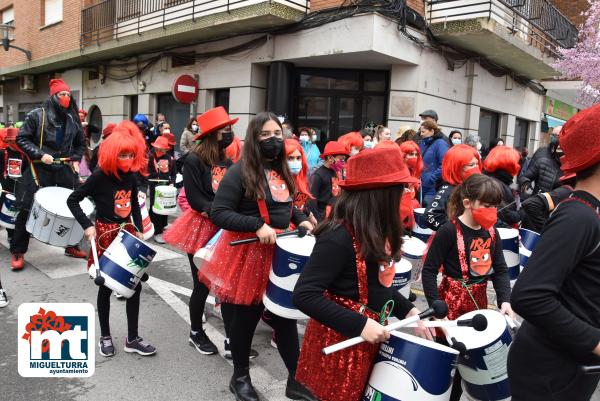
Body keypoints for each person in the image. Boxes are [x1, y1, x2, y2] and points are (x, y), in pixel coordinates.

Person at [197, 112, 315, 401]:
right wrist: (256, 224)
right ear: (253, 138)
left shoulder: (282, 170)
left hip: (278, 253)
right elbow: (220, 212)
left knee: (284, 317)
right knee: (245, 320)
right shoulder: (239, 172)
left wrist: (301, 219)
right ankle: (240, 378)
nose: (273, 139)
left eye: (277, 134)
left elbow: (285, 207)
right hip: (248, 254)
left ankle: (295, 380)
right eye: (265, 135)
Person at [292, 146, 424, 401]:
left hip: (364, 340)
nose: (403, 197)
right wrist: (361, 324)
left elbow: (371, 287)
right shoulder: (337, 235)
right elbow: (304, 295)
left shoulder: (372, 231)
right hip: (339, 346)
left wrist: (409, 310)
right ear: (379, 196)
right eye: (399, 191)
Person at [508, 104, 600, 401]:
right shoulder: (577, 216)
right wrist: (596, 342)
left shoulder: (590, 214)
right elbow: (529, 295)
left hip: (570, 365)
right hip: (550, 371)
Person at [66, 121, 156, 357]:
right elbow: (72, 200)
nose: (127, 159)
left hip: (128, 234)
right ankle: (105, 336)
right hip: (106, 235)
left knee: (134, 287)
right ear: (113, 154)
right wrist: (87, 225)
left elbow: (135, 203)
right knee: (105, 287)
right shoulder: (99, 177)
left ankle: (132, 338)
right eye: (123, 154)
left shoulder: (131, 176)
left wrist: (138, 227)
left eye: (130, 154)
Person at [422, 173, 514, 401]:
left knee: (472, 366)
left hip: (478, 307)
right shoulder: (448, 231)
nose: (492, 211)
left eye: (495, 206)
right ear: (467, 203)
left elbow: (501, 269)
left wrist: (505, 300)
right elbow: (429, 270)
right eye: (486, 205)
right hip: (450, 309)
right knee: (448, 366)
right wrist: (436, 309)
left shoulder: (492, 233)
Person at [163, 107, 237, 356]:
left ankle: (231, 339)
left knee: (227, 286)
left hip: (225, 226)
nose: (230, 133)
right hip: (203, 227)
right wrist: (222, 212)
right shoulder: (194, 160)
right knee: (202, 285)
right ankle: (196, 332)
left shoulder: (227, 160)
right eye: (226, 129)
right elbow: (195, 200)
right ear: (215, 133)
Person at [10, 79, 87, 269]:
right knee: (27, 208)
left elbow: (81, 144)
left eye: (69, 95)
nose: (66, 98)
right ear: (53, 96)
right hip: (39, 168)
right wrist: (39, 154)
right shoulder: (37, 115)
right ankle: (18, 251)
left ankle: (71, 244)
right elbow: (22, 138)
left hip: (63, 169)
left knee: (73, 206)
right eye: (62, 94)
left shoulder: (72, 120)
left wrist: (75, 158)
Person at [425, 144, 481, 231]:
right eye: (471, 165)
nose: (476, 167)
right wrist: (454, 230)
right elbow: (429, 215)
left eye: (477, 164)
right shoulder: (448, 190)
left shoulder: (473, 187)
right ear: (457, 167)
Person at [310, 141, 349, 221]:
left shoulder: (337, 172)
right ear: (330, 158)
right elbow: (312, 201)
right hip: (322, 217)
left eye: (344, 160)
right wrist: (318, 220)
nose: (343, 163)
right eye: (341, 159)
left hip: (335, 216)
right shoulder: (318, 175)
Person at [483, 145, 522, 227]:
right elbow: (504, 214)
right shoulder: (494, 184)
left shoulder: (494, 178)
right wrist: (522, 212)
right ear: (510, 164)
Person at [518, 125, 563, 196]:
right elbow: (526, 175)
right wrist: (525, 182)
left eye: (556, 135)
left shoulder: (570, 160)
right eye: (552, 135)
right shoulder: (541, 153)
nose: (553, 137)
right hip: (538, 200)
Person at [147, 135, 176, 244]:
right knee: (156, 208)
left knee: (166, 208)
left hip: (166, 188)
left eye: (161, 148)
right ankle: (157, 231)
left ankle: (162, 225)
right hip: (155, 187)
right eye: (157, 147)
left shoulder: (170, 159)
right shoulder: (150, 157)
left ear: (166, 148)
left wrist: (172, 183)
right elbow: (147, 172)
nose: (159, 149)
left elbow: (173, 174)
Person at [0, 128, 26, 245]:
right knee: (3, 211)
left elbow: (27, 172)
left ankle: (13, 236)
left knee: (15, 213)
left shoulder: (24, 155)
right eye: (13, 141)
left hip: (19, 189)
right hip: (5, 188)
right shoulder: (2, 153)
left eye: (17, 141)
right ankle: (10, 235)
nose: (16, 143)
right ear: (8, 141)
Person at [285, 139, 318, 228]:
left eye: (298, 158)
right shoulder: (276, 183)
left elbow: (298, 205)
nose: (295, 162)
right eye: (290, 158)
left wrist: (309, 214)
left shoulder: (302, 180)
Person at [419, 120, 450, 207]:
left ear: (432, 131)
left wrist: (432, 178)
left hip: (433, 187)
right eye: (420, 131)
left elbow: (444, 164)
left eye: (423, 131)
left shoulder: (440, 144)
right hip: (421, 185)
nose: (421, 134)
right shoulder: (422, 143)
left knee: (429, 211)